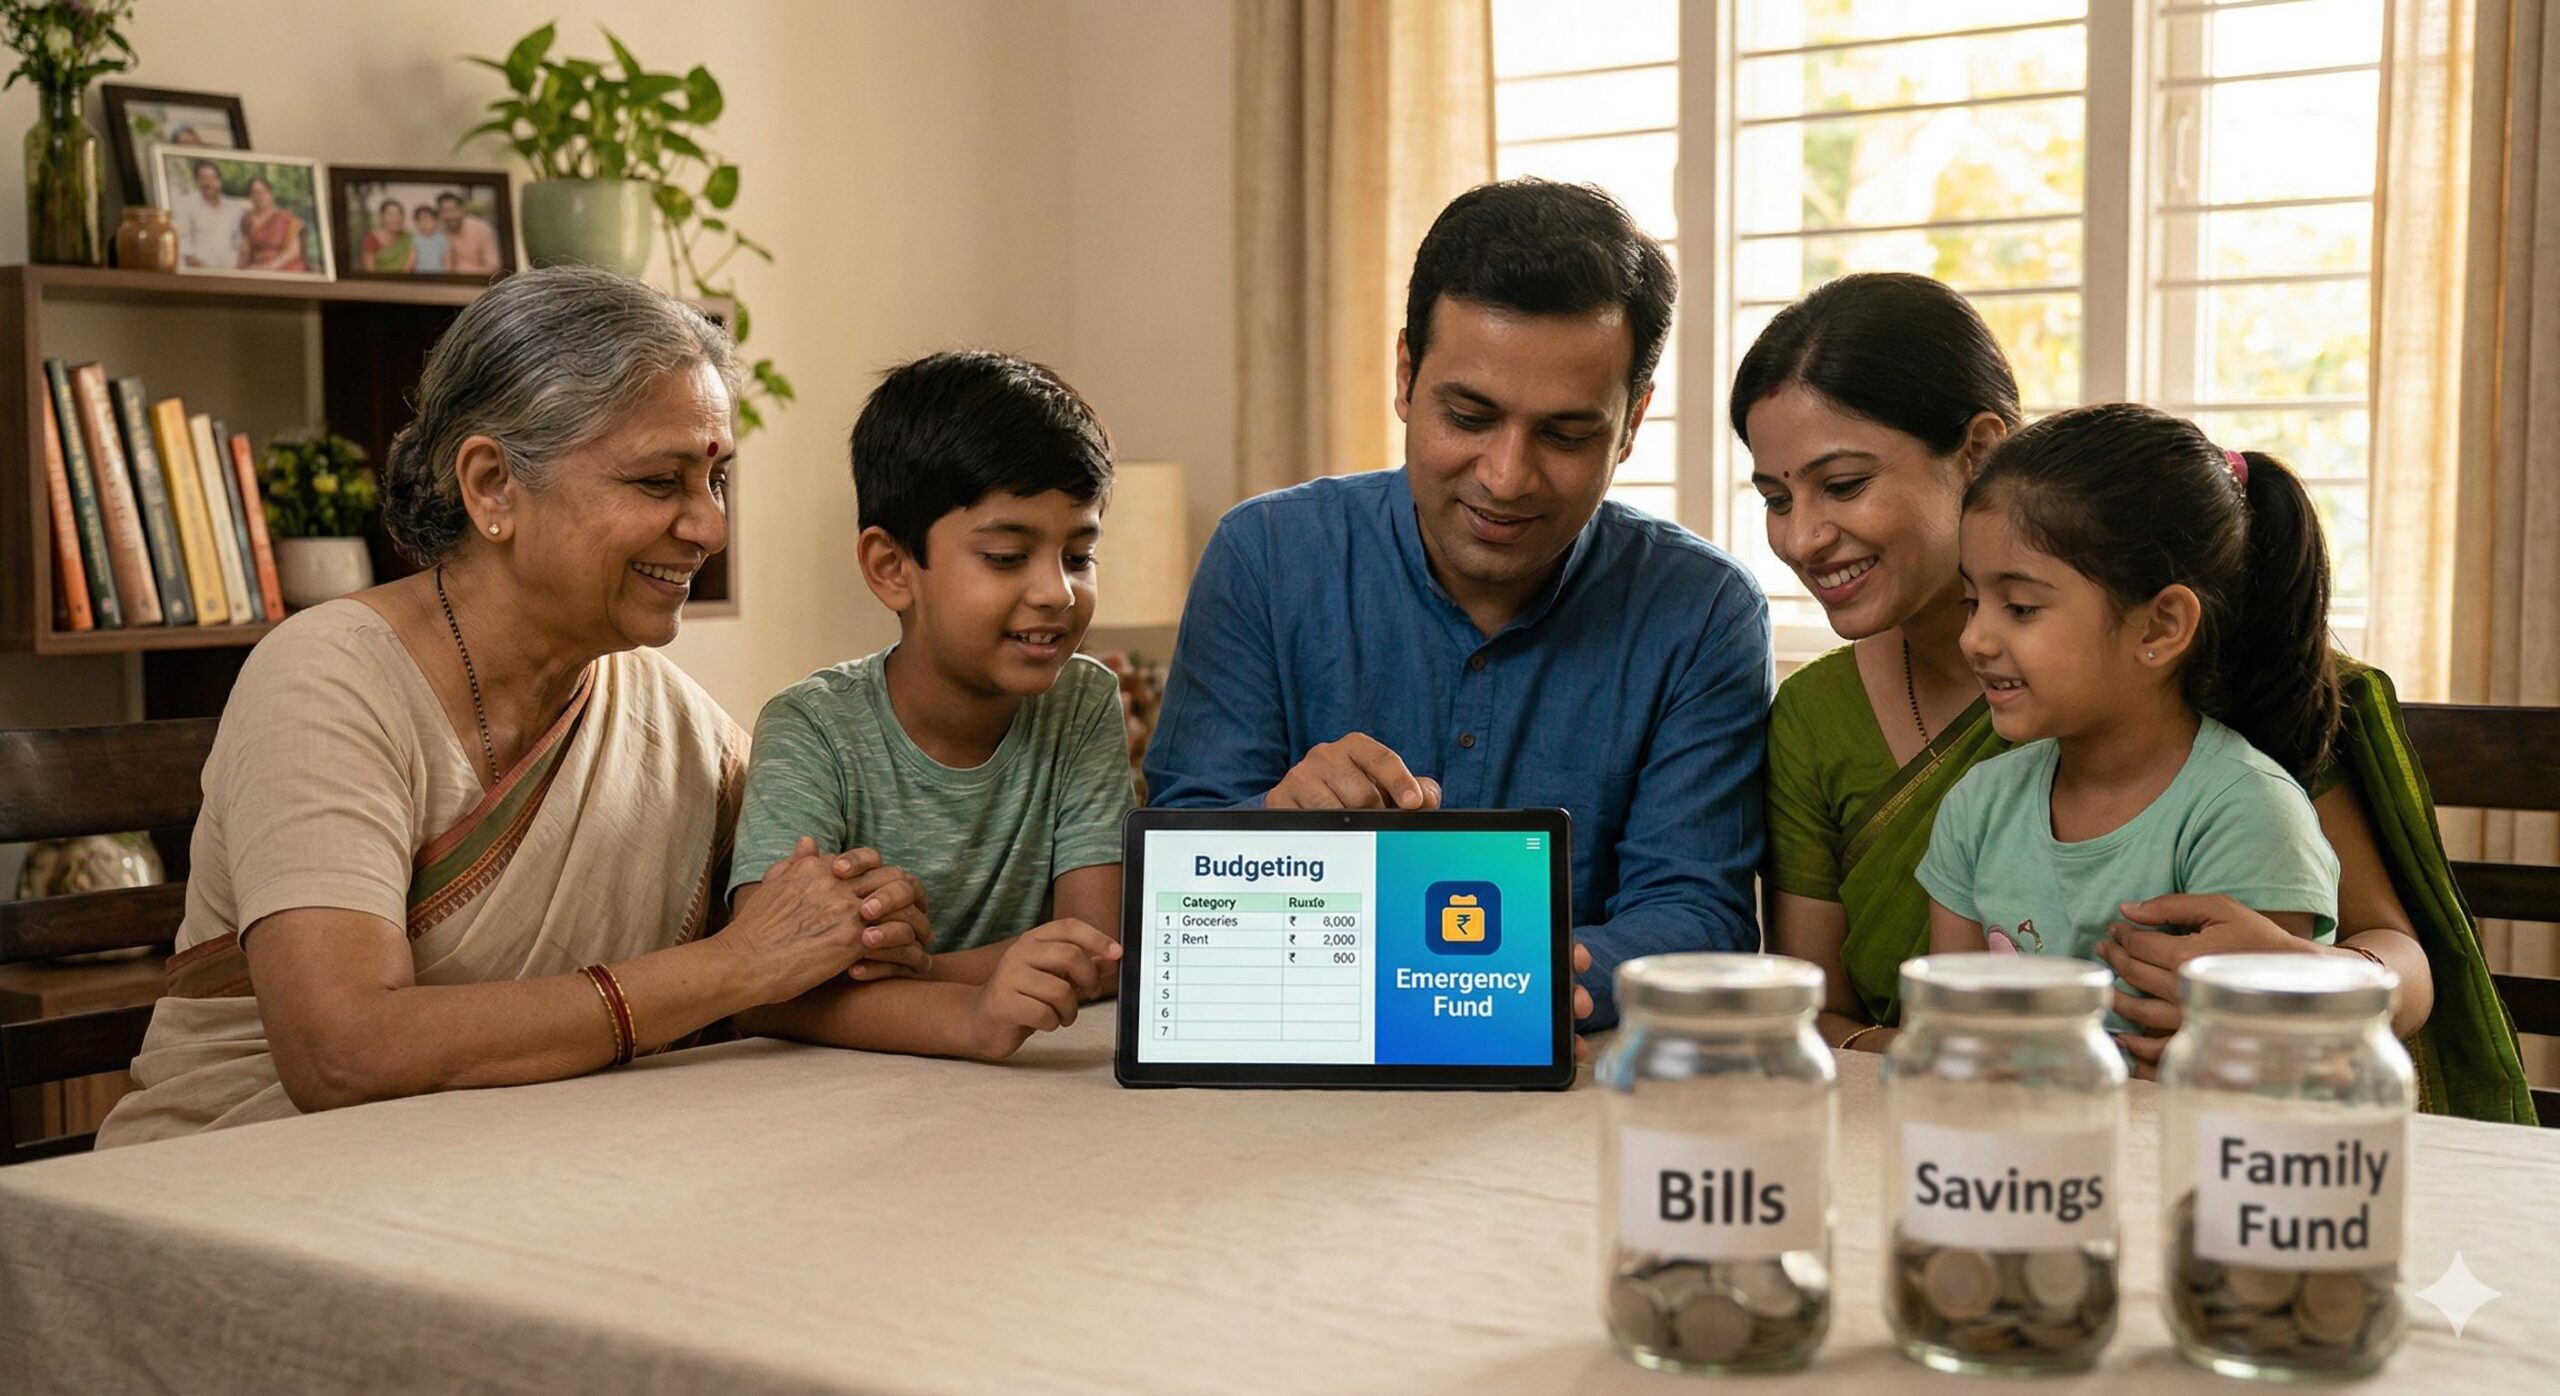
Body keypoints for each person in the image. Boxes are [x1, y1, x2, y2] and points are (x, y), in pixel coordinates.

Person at [96, 268, 927, 1146]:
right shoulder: (327, 679)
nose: (710, 526)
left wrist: (860, 916)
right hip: (234, 1182)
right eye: (658, 482)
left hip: (515, 1169)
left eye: (714, 479)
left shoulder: (668, 723)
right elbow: (343, 1052)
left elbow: (795, 926)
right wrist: (733, 966)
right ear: (492, 485)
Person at [1744, 273, 2531, 1122]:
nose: (1801, 536)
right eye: (1777, 499)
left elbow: (2393, 954)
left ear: (1976, 450)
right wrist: (2000, 1059)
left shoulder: (2216, 683)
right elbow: (1811, 1017)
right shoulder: (1818, 719)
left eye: (1845, 483)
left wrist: (2306, 983)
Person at [1145, 179, 1772, 1028]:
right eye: (1469, 416)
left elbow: (1698, 919)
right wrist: (1273, 825)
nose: (1506, 477)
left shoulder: (1703, 612)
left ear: (1630, 426)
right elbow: (1173, 881)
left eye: (1566, 434)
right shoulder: (1264, 558)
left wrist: (1489, 984)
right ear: (1405, 377)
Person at [727, 352, 1132, 1061]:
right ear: (891, 568)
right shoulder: (812, 728)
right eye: (1007, 556)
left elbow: (1099, 948)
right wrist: (972, 1013)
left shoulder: (1084, 700)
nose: (1057, 593)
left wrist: (911, 974)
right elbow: (763, 991)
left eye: (1078, 555)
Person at [1917, 406, 2342, 1031]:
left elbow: (2264, 1059)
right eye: (1972, 601)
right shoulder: (1977, 808)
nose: (1975, 638)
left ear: (2160, 627)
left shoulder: (2247, 815)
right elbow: (1951, 1034)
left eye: (2022, 606)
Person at [173, 159, 243, 269]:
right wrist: (193, 261)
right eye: (203, 179)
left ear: (219, 181)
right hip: (199, 268)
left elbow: (239, 240)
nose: (208, 183)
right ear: (197, 181)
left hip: (229, 267)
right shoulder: (187, 205)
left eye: (211, 179)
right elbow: (182, 238)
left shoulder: (234, 208)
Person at [237, 176, 308, 273]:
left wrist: (272, 266)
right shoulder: (247, 219)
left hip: (285, 267)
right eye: (255, 193)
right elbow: (245, 250)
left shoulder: (284, 217)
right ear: (250, 196)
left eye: (263, 192)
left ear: (270, 194)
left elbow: (294, 250)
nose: (259, 196)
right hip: (258, 268)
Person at [441, 191, 503, 276]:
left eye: (453, 210)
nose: (450, 216)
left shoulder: (482, 229)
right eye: (445, 211)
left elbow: (493, 268)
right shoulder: (440, 233)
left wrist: (462, 271)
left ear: (462, 210)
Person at [361, 198, 414, 274]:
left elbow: (408, 268)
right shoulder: (371, 239)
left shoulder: (409, 238)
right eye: (390, 215)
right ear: (381, 217)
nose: (395, 218)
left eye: (399, 214)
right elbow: (370, 272)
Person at [412, 203, 451, 273]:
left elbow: (448, 262)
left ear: (436, 222)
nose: (423, 224)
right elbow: (412, 260)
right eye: (420, 221)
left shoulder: (442, 239)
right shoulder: (416, 239)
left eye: (427, 221)